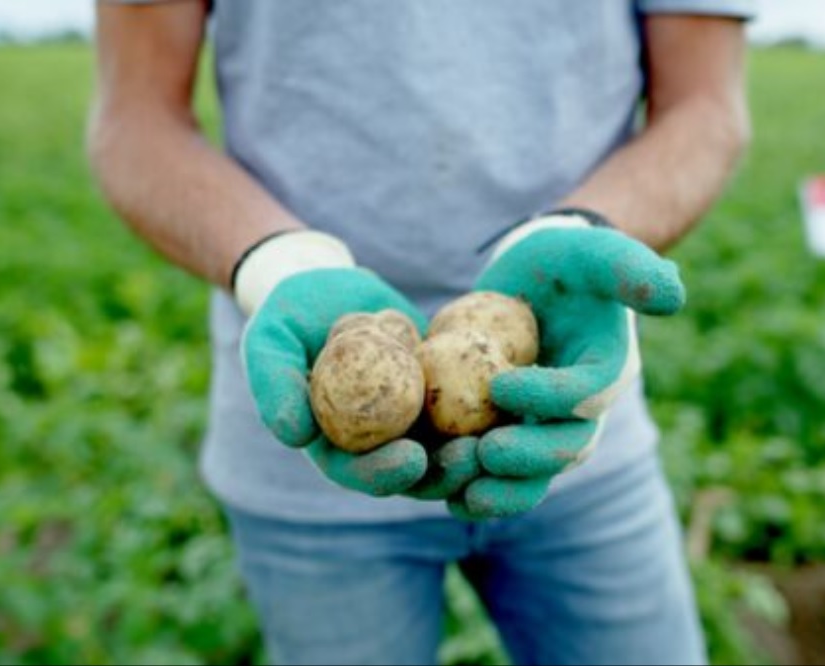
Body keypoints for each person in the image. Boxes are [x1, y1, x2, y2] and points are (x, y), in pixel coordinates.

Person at [88, 1, 753, 664]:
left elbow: (704, 108)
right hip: (300, 455)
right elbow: (136, 117)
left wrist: (581, 232)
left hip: (566, 416)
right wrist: (279, 261)